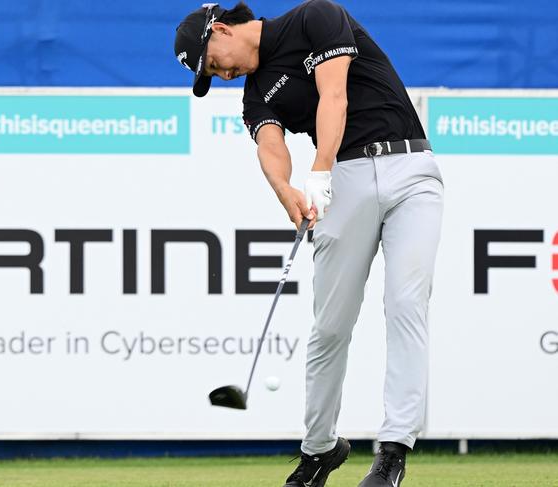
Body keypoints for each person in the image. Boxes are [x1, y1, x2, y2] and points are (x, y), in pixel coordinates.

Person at [174, 1, 444, 486]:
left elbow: (333, 94)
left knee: (406, 303)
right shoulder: (255, 95)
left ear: (220, 30)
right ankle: (319, 449)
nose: (223, 74)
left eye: (213, 63)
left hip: (411, 170)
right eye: (212, 74)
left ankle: (393, 450)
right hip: (347, 183)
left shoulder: (316, 17)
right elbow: (270, 145)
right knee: (330, 326)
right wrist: (286, 190)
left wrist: (319, 168)